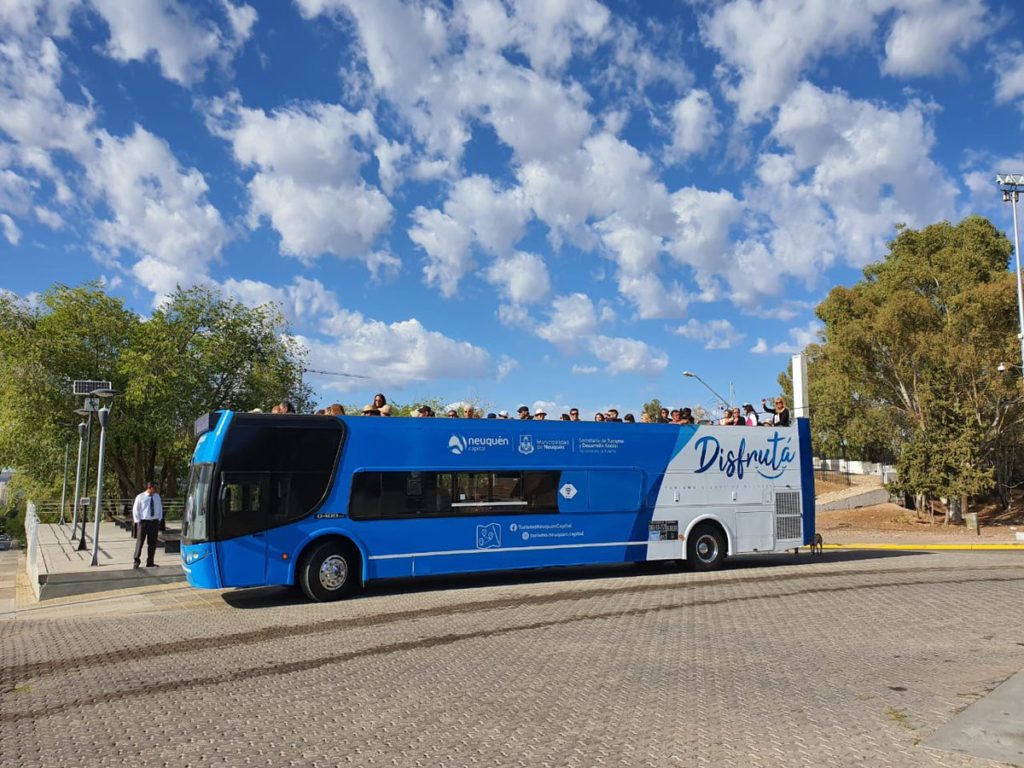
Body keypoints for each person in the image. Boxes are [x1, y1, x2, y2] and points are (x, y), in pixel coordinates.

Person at [132, 481, 163, 569]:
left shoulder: (157, 497)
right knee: (140, 542)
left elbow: (160, 508)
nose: (155, 490)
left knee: (152, 543)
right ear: (149, 488)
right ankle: (136, 560)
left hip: (154, 522)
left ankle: (150, 561)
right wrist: (138, 521)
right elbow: (136, 509)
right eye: (153, 488)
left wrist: (159, 518)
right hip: (143, 522)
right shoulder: (140, 497)